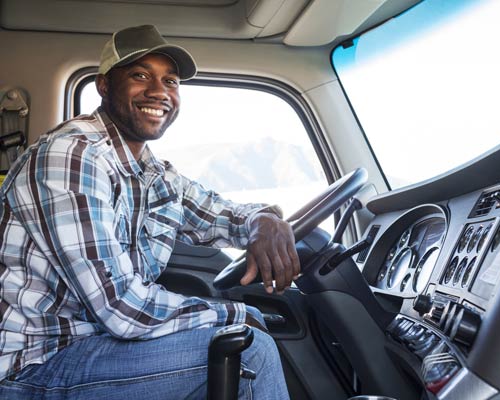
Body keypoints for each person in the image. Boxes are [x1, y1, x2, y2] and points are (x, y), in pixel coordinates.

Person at [0, 25, 300, 399]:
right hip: (40, 364)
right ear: (104, 86)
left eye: (171, 81)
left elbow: (218, 213)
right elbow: (122, 309)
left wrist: (263, 221)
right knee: (247, 347)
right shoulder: (72, 156)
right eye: (140, 75)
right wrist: (239, 314)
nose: (160, 92)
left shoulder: (152, 172)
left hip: (97, 347)